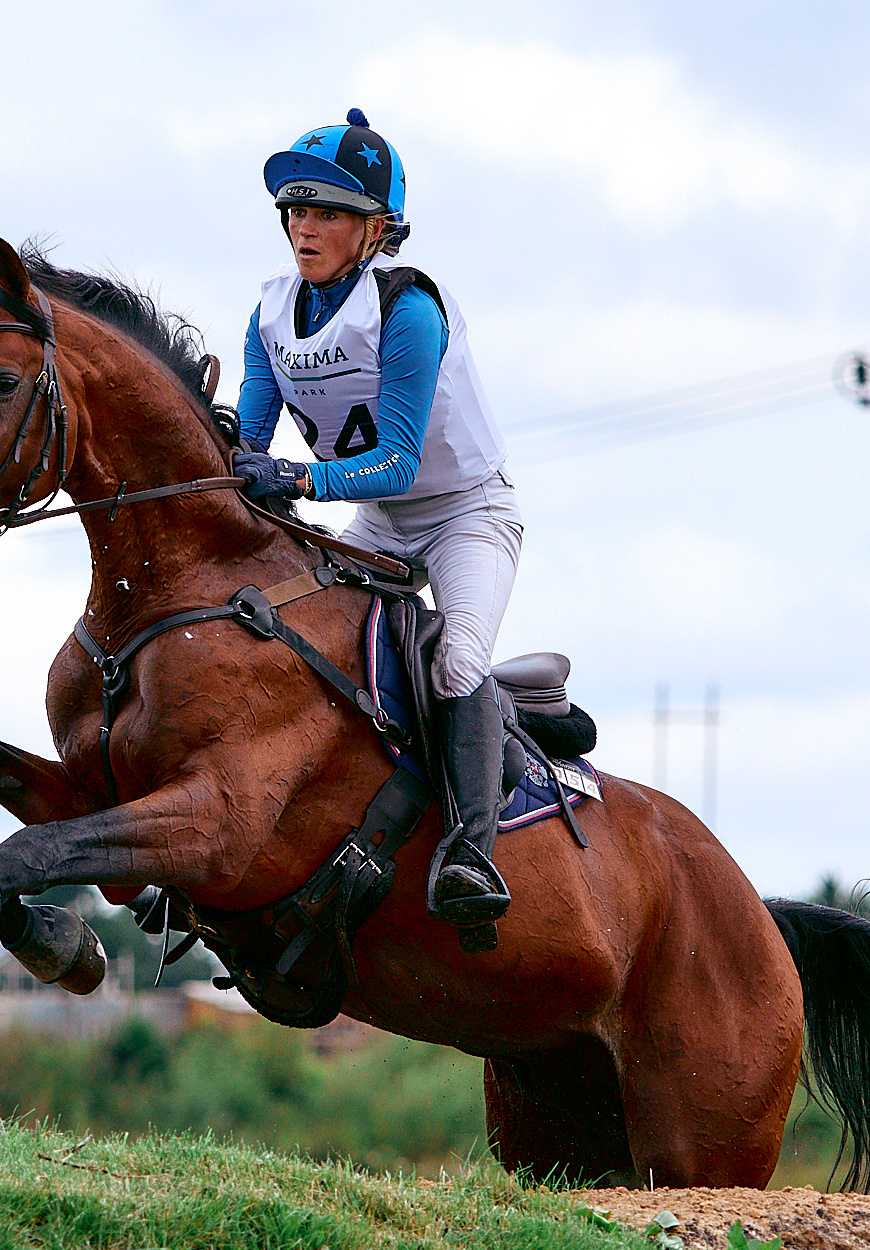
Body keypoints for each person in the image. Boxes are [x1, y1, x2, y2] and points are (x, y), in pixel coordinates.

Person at [231, 108, 524, 928]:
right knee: (287, 628)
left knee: (458, 662)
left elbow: (395, 461)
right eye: (295, 208)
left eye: (326, 211)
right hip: (379, 522)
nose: (303, 227)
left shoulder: (409, 308)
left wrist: (291, 475)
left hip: (466, 513)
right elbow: (247, 440)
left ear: (375, 228)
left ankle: (471, 855)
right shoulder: (269, 317)